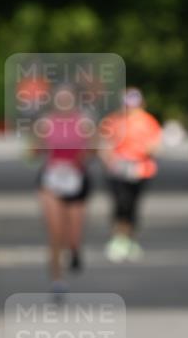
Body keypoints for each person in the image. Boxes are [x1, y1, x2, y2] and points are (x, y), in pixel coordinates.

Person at [33, 85, 94, 294]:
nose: (64, 103)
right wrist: (37, 144)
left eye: (68, 99)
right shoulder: (45, 123)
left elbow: (93, 150)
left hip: (76, 178)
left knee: (74, 233)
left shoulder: (84, 122)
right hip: (51, 180)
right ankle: (57, 279)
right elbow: (32, 153)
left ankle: (75, 249)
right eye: (61, 99)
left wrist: (87, 150)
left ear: (74, 101)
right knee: (55, 232)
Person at [99, 88, 162, 262]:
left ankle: (130, 238)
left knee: (133, 204)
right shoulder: (113, 120)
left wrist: (141, 153)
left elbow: (155, 145)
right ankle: (118, 238)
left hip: (140, 169)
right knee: (120, 203)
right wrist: (111, 161)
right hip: (118, 169)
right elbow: (104, 144)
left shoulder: (148, 121)